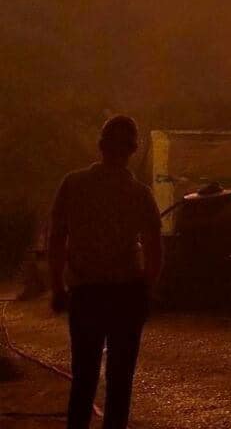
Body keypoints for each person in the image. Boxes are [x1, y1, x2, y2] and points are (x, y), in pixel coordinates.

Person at [48, 115, 163, 429]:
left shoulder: (73, 184)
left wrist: (58, 286)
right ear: (133, 149)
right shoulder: (139, 194)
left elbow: (57, 238)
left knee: (83, 377)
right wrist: (149, 289)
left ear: (101, 146)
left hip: (86, 293)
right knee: (120, 380)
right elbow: (154, 246)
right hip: (127, 293)